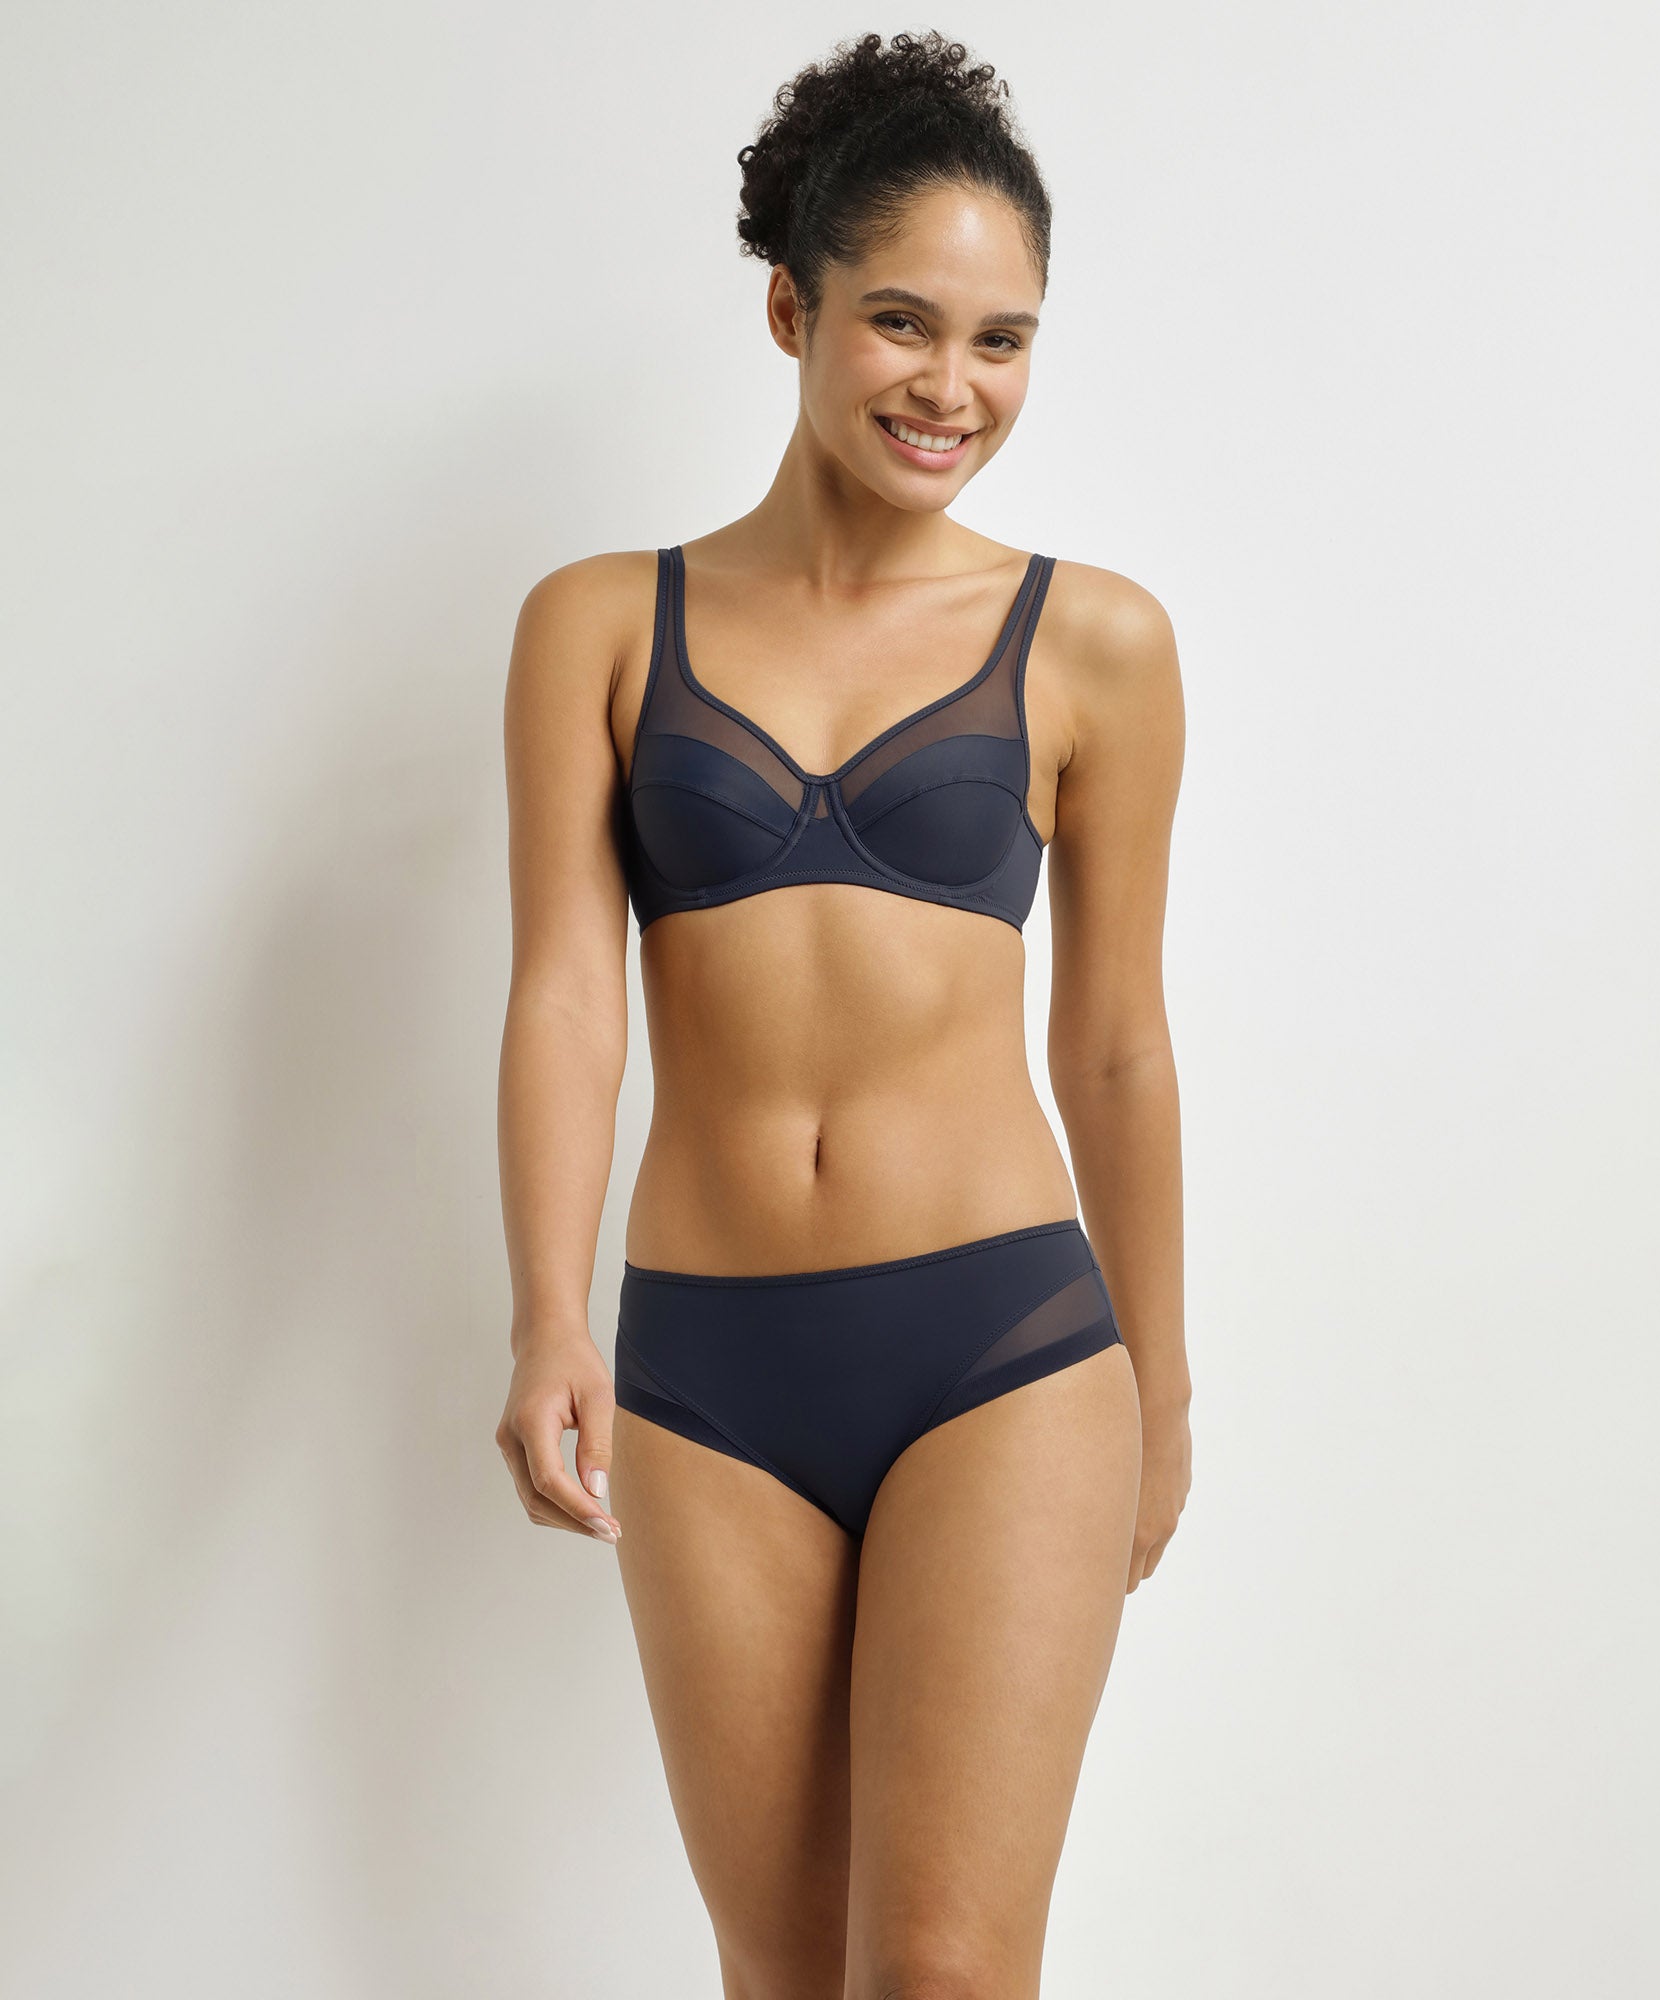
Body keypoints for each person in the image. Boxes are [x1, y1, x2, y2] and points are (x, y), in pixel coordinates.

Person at [494, 29, 1189, 1999]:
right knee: (786, 1972)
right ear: (792, 307)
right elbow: (566, 994)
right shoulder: (600, 623)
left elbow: (1117, 1044)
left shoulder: (1097, 643)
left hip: (1006, 1350)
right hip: (707, 1367)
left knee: (947, 1970)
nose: (952, 386)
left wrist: (1166, 1387)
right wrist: (548, 1317)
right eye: (902, 321)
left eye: (1002, 340)